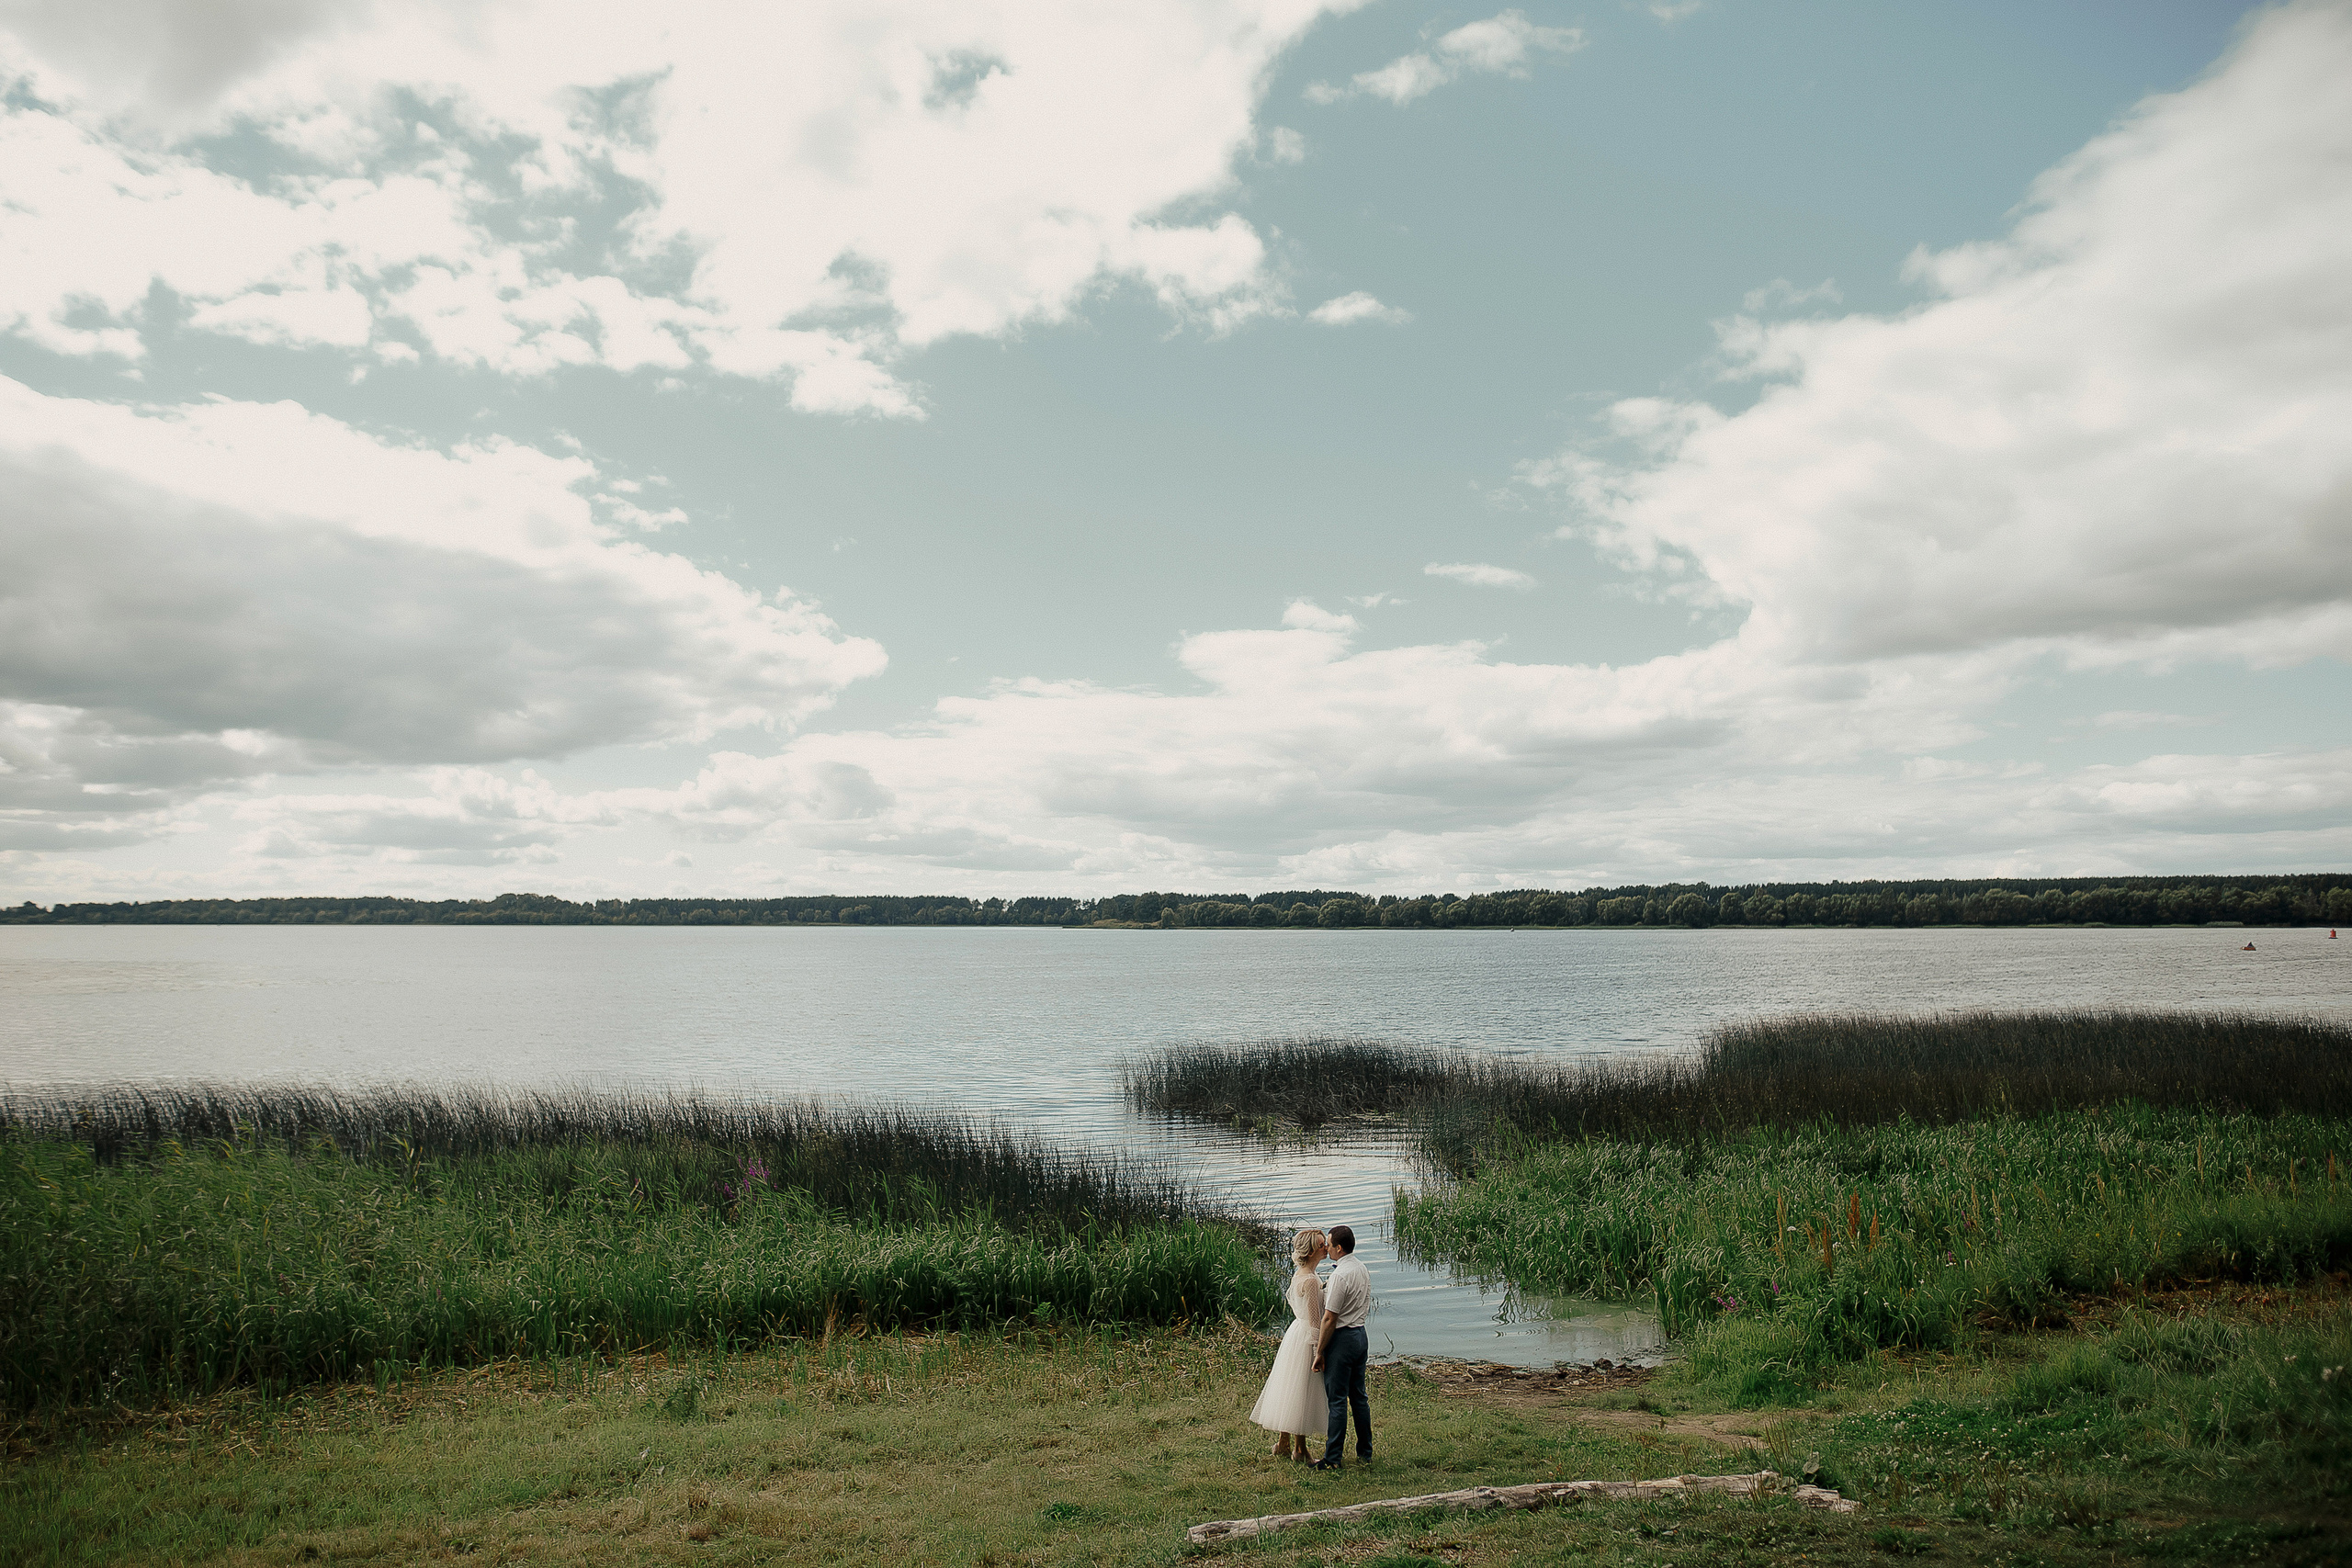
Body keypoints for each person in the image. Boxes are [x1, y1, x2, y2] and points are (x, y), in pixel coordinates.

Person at [1249, 1229, 1329, 1461]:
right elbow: (1316, 1322)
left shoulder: (1300, 1274)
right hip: (1305, 1337)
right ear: (1313, 1250)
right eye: (1322, 1244)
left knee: (1290, 1387)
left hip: (1294, 1332)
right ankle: (1300, 1450)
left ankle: (1284, 1442)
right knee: (1303, 1390)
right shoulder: (1312, 1281)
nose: (1326, 1247)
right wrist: (1319, 1351)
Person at [1309, 1223, 1372, 1470]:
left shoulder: (1339, 1276)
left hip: (1343, 1339)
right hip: (1361, 1335)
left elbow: (1329, 1318)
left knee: (1336, 1400)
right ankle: (1365, 1452)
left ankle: (1333, 1458)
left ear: (1339, 1248)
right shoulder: (1362, 1268)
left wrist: (1320, 1351)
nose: (1328, 1249)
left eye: (1330, 1245)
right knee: (1359, 1397)